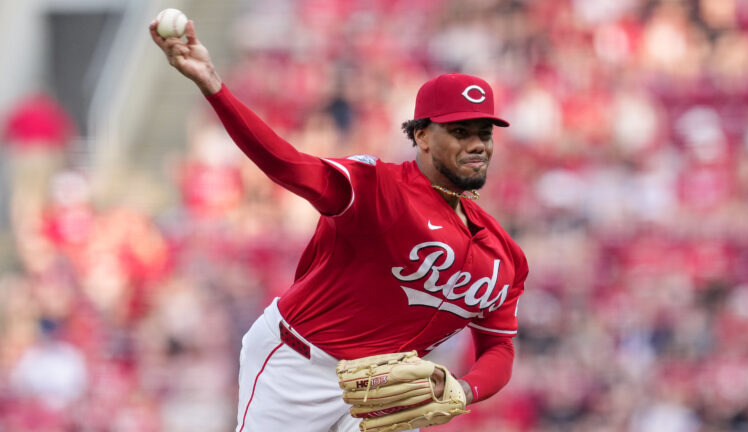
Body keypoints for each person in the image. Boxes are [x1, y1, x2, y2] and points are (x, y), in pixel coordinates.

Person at [150, 18, 528, 432]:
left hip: (383, 389)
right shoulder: (378, 188)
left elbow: (498, 347)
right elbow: (286, 165)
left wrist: (463, 387)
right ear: (421, 136)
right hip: (298, 365)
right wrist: (214, 86)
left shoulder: (503, 256)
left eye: (484, 133)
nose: (477, 144)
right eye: (459, 131)